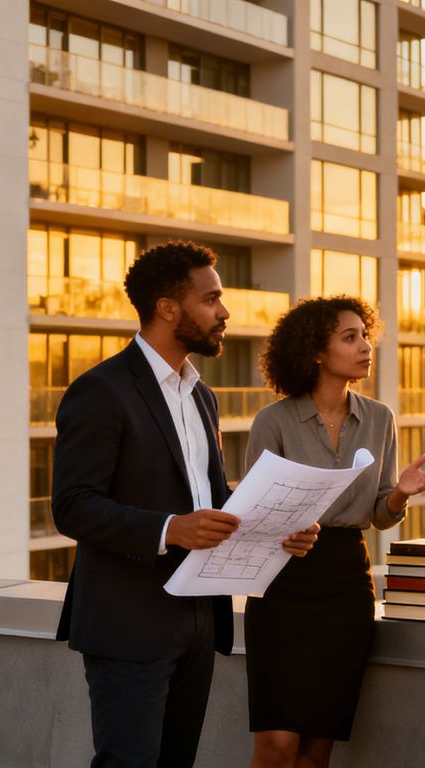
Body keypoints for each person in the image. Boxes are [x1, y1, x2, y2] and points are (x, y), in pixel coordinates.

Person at [52, 241, 318, 768]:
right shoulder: (100, 391)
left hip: (198, 616)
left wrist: (278, 527)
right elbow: (73, 506)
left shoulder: (201, 395)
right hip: (128, 619)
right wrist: (171, 529)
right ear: (168, 308)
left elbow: (211, 502)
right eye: (211, 299)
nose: (224, 313)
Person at [243, 296, 425, 768]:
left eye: (365, 336)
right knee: (277, 743)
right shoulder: (272, 421)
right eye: (350, 337)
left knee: (318, 747)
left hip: (346, 584)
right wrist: (283, 533)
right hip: (283, 584)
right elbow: (254, 516)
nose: (365, 346)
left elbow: (379, 515)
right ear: (316, 350)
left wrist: (400, 494)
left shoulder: (380, 418)